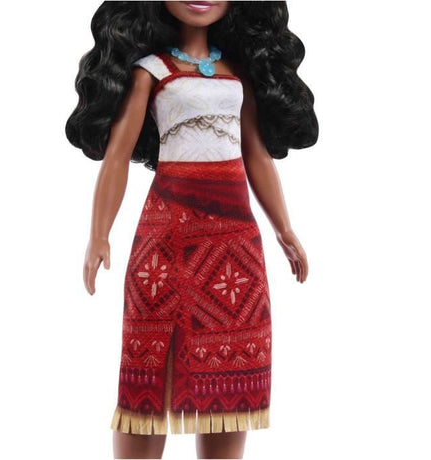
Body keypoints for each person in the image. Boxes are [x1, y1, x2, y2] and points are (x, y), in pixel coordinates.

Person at [65, 1, 318, 458]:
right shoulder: (151, 70)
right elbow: (117, 156)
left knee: (233, 376)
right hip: (167, 239)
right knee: (148, 368)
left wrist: (285, 229)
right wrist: (98, 234)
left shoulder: (238, 73)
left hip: (236, 243)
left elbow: (256, 155)